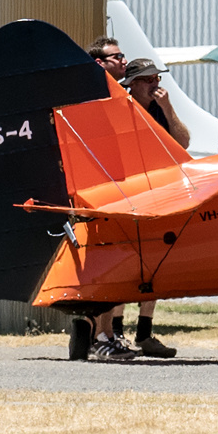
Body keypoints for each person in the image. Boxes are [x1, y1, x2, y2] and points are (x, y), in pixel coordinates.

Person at [110, 57, 190, 359]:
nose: (155, 85)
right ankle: (116, 331)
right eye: (148, 80)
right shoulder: (121, 111)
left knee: (155, 262)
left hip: (156, 192)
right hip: (127, 194)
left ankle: (144, 331)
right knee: (126, 262)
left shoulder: (159, 110)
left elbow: (182, 142)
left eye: (157, 79)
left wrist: (168, 109)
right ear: (131, 85)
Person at [85, 38, 136, 361]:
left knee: (116, 264)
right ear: (101, 63)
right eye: (117, 57)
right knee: (105, 264)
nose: (123, 60)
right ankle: (100, 337)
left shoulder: (117, 95)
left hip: (119, 189)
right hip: (102, 192)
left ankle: (105, 334)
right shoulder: (95, 96)